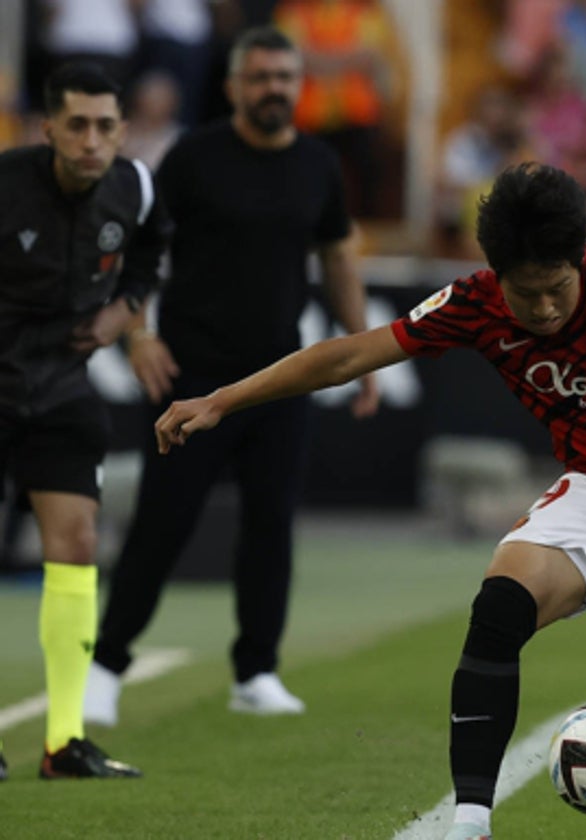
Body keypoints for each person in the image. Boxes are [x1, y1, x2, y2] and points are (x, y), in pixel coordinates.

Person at [149, 161, 586, 840]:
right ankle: (469, 823)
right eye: (527, 295)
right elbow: (349, 356)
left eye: (559, 288)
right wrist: (221, 400)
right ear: (497, 275)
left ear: (579, 263)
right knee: (498, 607)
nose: (547, 309)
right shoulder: (473, 303)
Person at [83, 27, 379, 725]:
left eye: (285, 76)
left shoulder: (318, 163)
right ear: (233, 85)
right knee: (162, 525)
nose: (274, 87)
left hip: (281, 379)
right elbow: (140, 248)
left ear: (298, 83)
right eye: (261, 77)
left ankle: (257, 672)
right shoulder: (194, 157)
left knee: (271, 526)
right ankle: (106, 666)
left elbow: (338, 256)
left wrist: (363, 353)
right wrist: (140, 334)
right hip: (190, 376)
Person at [0, 61, 169, 779]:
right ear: (49, 129)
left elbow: (149, 256)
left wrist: (124, 318)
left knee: (76, 544)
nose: (92, 140)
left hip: (63, 389)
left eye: (105, 126)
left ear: (122, 131)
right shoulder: (6, 186)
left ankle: (62, 742)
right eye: (77, 125)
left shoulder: (136, 186)